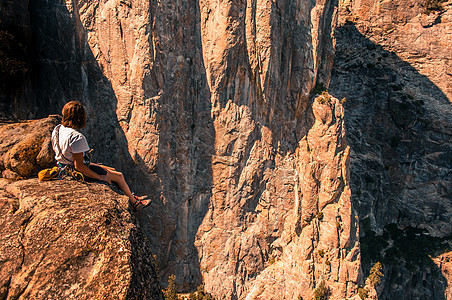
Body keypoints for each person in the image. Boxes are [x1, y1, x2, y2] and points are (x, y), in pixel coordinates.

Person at [51, 101, 150, 211]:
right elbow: (79, 166)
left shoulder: (57, 129)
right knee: (119, 176)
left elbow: (71, 157)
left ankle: (130, 196)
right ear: (80, 118)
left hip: (63, 165)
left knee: (110, 169)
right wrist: (100, 177)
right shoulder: (77, 137)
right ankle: (135, 203)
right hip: (74, 171)